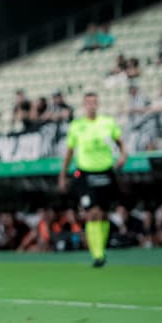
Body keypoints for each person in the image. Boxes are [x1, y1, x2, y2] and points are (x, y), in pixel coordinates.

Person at [58, 92, 127, 267]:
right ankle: (97, 255)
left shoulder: (107, 122)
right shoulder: (77, 126)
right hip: (86, 173)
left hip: (105, 171)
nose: (91, 105)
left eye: (94, 102)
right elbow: (69, 152)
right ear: (84, 105)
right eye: (88, 102)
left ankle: (100, 250)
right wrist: (63, 174)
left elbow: (120, 142)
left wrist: (123, 155)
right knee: (92, 213)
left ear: (98, 104)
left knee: (103, 213)